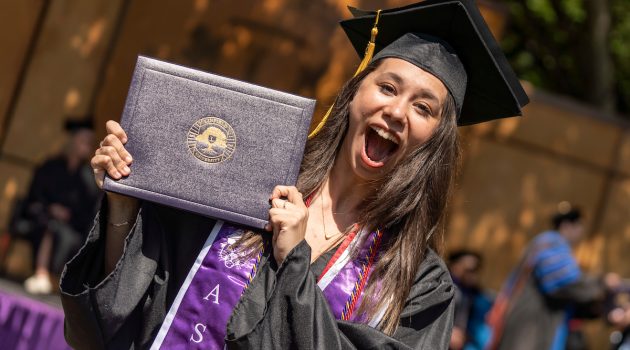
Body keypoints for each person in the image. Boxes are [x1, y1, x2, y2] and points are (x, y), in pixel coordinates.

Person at [60, 0, 529, 349]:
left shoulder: (416, 281)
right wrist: (125, 202)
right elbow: (127, 311)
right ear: (353, 96)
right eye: (387, 87)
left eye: (423, 107)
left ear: (435, 142)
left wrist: (296, 264)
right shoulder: (246, 183)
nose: (397, 111)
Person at [487, 202, 616, 350]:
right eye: (580, 226)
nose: (581, 232)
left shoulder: (552, 244)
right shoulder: (550, 242)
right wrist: (601, 283)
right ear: (567, 225)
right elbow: (565, 282)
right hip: (530, 322)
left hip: (537, 321)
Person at [19, 118, 100, 294]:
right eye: (83, 140)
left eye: (90, 141)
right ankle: (42, 274)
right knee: (49, 226)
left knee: (66, 234)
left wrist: (69, 214)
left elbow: (90, 210)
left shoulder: (88, 177)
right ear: (72, 139)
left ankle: (49, 278)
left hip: (73, 225)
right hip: (43, 217)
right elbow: (35, 194)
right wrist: (50, 208)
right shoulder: (50, 166)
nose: (87, 145)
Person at [448, 250, 493, 350]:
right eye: (469, 269)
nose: (473, 275)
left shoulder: (475, 294)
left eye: (477, 269)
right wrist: (447, 332)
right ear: (454, 266)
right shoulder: (443, 288)